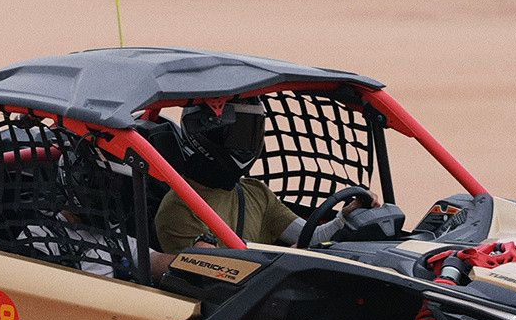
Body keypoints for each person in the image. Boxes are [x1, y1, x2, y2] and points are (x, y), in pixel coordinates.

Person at [153, 101, 372, 253]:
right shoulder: (179, 210)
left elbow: (310, 236)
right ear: (206, 134)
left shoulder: (255, 192)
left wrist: (345, 218)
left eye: (251, 133)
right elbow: (220, 274)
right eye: (238, 134)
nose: (246, 144)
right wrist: (294, 255)